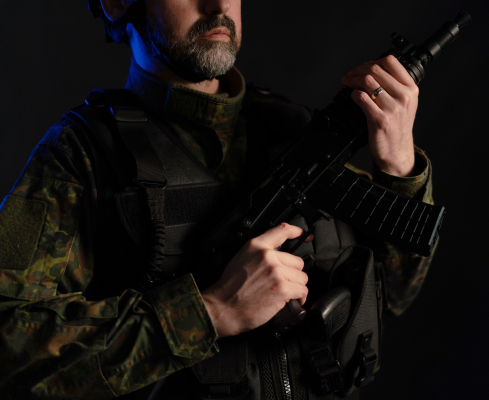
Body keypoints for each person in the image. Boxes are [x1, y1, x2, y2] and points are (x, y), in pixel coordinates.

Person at [0, 0, 435, 398]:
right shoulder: (82, 156)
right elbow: (8, 349)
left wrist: (398, 169)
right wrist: (209, 311)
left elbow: (391, 296)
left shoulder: (288, 129)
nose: (218, 5)